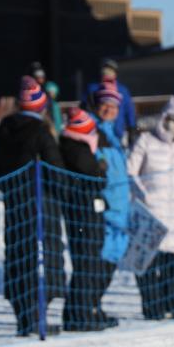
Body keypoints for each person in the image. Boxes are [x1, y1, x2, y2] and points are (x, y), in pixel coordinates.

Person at [0, 75, 67, 336]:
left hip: (14, 206)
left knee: (18, 257)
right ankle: (37, 318)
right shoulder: (41, 132)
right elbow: (56, 171)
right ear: (41, 106)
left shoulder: (4, 128)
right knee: (43, 258)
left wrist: (13, 190)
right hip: (41, 206)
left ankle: (24, 318)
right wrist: (61, 190)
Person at [126, 95, 174, 320]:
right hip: (150, 213)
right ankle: (152, 308)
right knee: (147, 264)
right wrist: (143, 197)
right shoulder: (146, 141)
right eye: (171, 118)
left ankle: (173, 304)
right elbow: (131, 172)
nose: (173, 123)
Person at [57, 106, 114, 331]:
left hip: (83, 211)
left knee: (86, 263)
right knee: (87, 264)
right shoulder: (77, 149)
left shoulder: (70, 146)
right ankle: (80, 315)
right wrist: (101, 171)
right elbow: (96, 178)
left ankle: (79, 313)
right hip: (84, 212)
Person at [94, 87, 131, 326]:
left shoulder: (114, 137)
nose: (109, 109)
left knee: (111, 261)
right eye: (104, 105)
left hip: (121, 210)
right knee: (100, 262)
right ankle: (91, 306)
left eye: (114, 106)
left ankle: (96, 305)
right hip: (106, 209)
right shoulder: (95, 133)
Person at [85, 59, 136, 145]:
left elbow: (129, 110)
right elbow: (85, 107)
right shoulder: (93, 88)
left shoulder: (122, 90)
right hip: (97, 130)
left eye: (111, 71)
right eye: (105, 70)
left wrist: (131, 127)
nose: (107, 73)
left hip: (117, 129)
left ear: (115, 73)